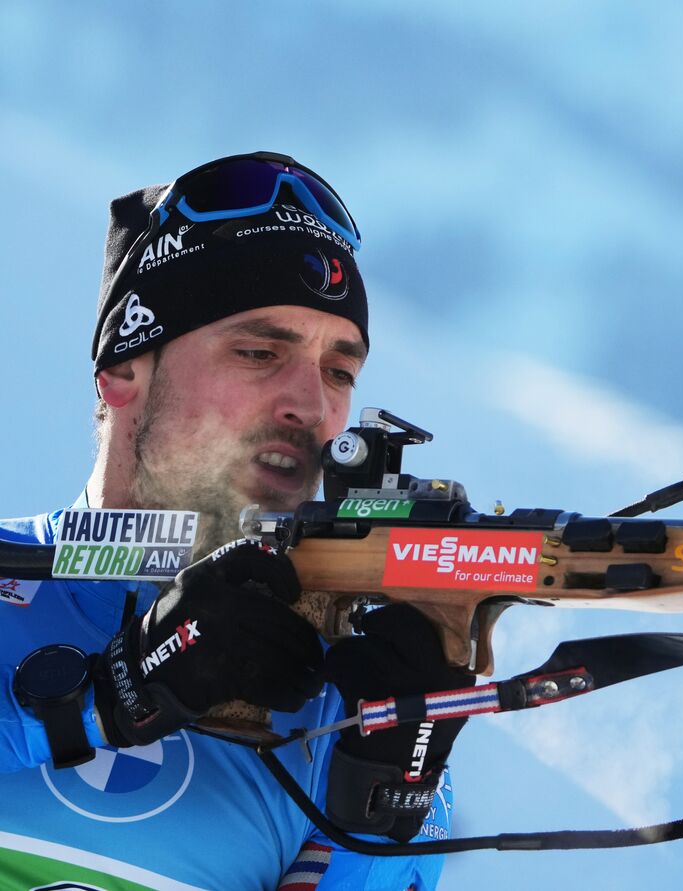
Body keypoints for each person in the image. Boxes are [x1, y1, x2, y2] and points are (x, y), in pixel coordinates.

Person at [0, 152, 471, 890]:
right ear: (124, 367)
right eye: (258, 351)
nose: (311, 406)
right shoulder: (10, 578)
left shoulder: (326, 703)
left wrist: (386, 798)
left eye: (339, 371)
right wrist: (105, 698)